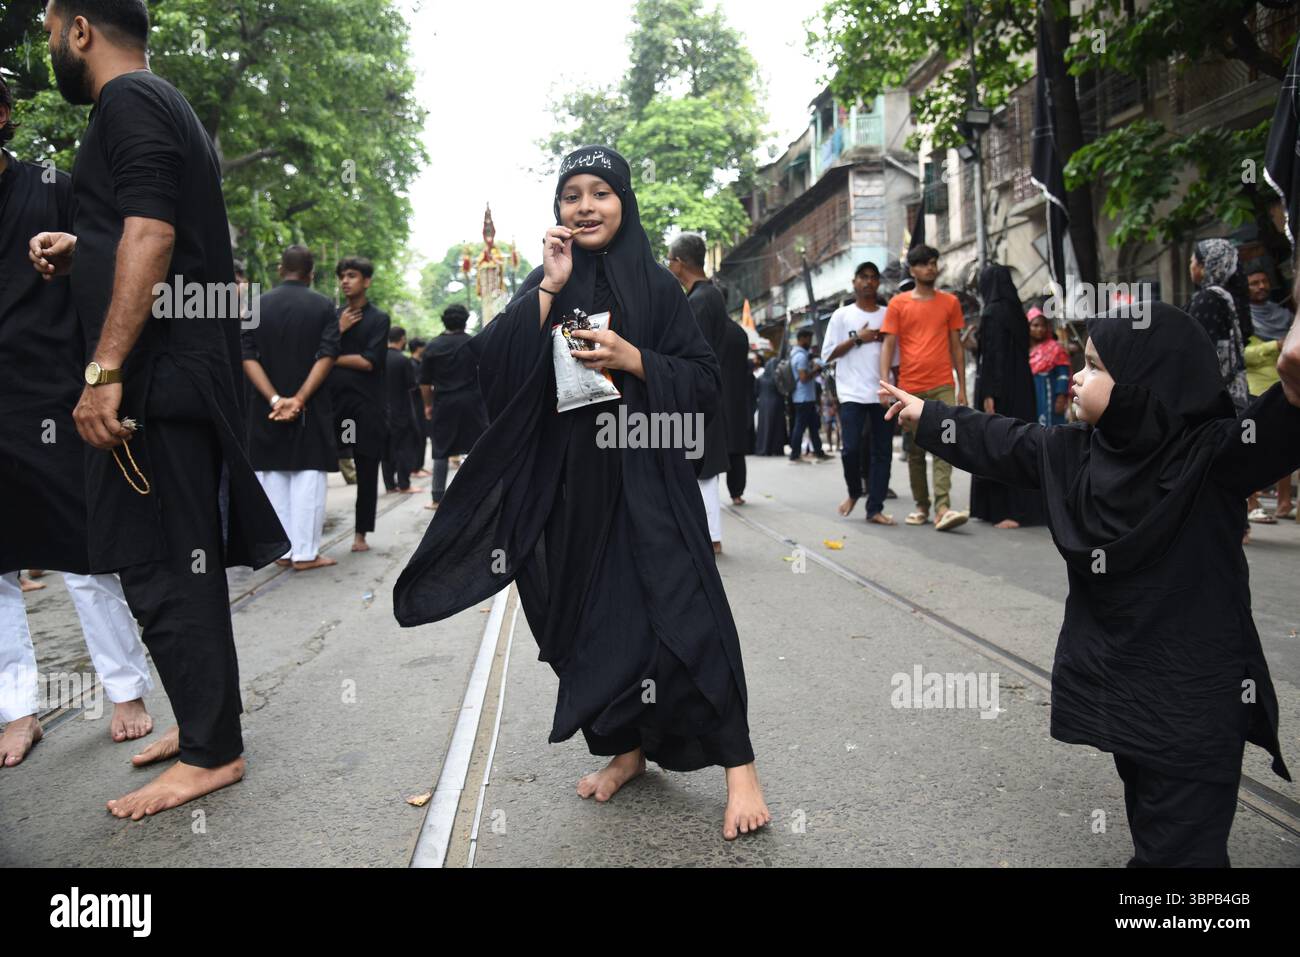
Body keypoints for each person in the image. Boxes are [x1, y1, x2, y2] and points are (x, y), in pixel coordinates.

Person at [394, 145, 770, 840]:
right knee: (585, 621)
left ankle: (739, 765)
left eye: (600, 192)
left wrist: (633, 358)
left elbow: (705, 382)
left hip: (648, 476)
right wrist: (547, 288)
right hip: (571, 487)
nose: (586, 206)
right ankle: (626, 749)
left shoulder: (657, 287)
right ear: (558, 210)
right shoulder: (549, 278)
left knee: (687, 608)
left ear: (623, 203)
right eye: (572, 195)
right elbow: (495, 371)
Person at [882, 302, 1300, 866]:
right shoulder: (1079, 454)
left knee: (1177, 850)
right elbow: (1001, 440)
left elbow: (1284, 415)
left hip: (1183, 705)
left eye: (1097, 366)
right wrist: (929, 417)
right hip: (1148, 706)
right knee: (1165, 835)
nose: (1077, 375)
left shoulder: (1215, 456)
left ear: (1145, 383)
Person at [28, 0, 288, 818]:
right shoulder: (164, 102)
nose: (48, 49)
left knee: (158, 565)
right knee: (182, 564)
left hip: (156, 384)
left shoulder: (130, 102)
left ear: (77, 30)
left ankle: (214, 751)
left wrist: (104, 369)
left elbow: (154, 235)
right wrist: (85, 247)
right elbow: (141, 231)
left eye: (46, 31)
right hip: (180, 375)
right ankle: (208, 725)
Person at [1, 73, 155, 763]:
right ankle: (16, 708)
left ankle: (124, 688)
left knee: (86, 551)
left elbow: (110, 264)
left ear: (3, 116)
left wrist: (101, 376)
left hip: (50, 393)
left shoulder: (50, 187)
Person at [241, 245, 340, 570]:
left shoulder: (256, 305)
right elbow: (327, 355)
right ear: (311, 273)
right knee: (308, 477)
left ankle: (281, 551)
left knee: (274, 477)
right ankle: (306, 553)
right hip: (309, 408)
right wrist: (299, 399)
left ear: (281, 269)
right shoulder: (324, 305)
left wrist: (274, 398)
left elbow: (247, 356)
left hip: (266, 408)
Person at [879, 244, 969, 531]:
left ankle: (942, 508)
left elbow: (956, 345)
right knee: (916, 449)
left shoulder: (950, 302)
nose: (930, 267)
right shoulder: (898, 304)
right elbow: (888, 345)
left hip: (943, 383)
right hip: (910, 387)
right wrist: (885, 386)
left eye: (933, 263)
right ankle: (921, 506)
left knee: (945, 444)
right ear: (913, 269)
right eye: (924, 264)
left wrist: (962, 387)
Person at [667, 233, 731, 552]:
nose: (668, 265)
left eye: (669, 259)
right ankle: (709, 535)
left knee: (702, 469)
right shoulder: (709, 296)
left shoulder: (700, 301)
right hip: (705, 394)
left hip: (698, 395)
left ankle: (709, 538)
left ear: (679, 263)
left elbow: (695, 354)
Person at [822, 261, 896, 525]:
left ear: (878, 283)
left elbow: (897, 358)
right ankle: (854, 492)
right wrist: (858, 339)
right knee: (850, 449)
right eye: (863, 277)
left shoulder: (889, 314)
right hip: (851, 392)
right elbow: (827, 355)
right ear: (854, 282)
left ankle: (874, 508)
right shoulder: (841, 316)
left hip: (883, 393)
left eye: (873, 277)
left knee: (882, 452)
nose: (868, 282)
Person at [970, 265, 1043, 529]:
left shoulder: (992, 313)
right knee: (1020, 442)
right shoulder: (1017, 313)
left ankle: (1008, 510)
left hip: (1000, 390)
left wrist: (990, 393)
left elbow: (995, 356)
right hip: (1021, 387)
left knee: (999, 443)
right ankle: (1022, 508)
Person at [330, 256, 390, 552]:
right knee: (314, 469)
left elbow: (370, 361)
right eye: (342, 276)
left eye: (351, 275)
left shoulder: (379, 319)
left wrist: (332, 358)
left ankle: (360, 534)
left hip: (366, 407)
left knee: (367, 469)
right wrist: (337, 330)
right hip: (332, 405)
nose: (345, 281)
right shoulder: (332, 316)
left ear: (366, 281)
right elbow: (315, 352)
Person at [418, 304, 487, 509]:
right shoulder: (474, 342)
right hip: (472, 402)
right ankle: (479, 493)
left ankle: (437, 497)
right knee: (477, 446)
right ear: (465, 321)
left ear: (443, 320)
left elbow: (424, 383)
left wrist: (428, 405)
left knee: (441, 449)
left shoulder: (432, 346)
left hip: (444, 402)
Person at [1244, 265, 1295, 523]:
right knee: (1253, 449)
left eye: (1264, 281)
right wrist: (1272, 346)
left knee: (1285, 447)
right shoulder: (1244, 317)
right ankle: (1252, 502)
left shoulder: (1283, 315)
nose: (1261, 286)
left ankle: (1284, 502)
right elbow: (1243, 355)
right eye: (1254, 282)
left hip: (1285, 387)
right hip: (1254, 390)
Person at [1186, 239, 1251, 411]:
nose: (1190, 266)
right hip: (1236, 392)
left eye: (1192, 261)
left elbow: (1198, 350)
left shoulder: (1207, 299)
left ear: (1205, 266)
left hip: (1209, 397)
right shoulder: (1232, 298)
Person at [382, 326, 423, 496]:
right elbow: (411, 385)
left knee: (386, 449)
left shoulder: (379, 358)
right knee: (404, 449)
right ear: (402, 339)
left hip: (382, 411)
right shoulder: (402, 360)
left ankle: (390, 485)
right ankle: (404, 484)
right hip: (401, 411)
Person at [719, 305, 753, 505]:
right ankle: (737, 493)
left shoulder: (708, 327)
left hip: (714, 395)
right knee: (736, 448)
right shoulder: (740, 332)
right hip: (738, 398)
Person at [788, 326, 829, 463]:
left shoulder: (797, 354)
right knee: (800, 427)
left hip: (804, 397)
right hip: (803, 397)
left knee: (813, 426)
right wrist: (816, 370)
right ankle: (795, 454)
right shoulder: (800, 356)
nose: (810, 342)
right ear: (802, 339)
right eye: (809, 339)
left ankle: (819, 452)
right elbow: (803, 377)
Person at [1028, 306, 1072, 427]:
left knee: (1050, 428)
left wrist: (1061, 397)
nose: (1040, 329)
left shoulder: (1054, 348)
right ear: (1028, 327)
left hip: (1049, 392)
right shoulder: (1025, 350)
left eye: (1043, 326)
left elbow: (1063, 374)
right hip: (1032, 393)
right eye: (1035, 325)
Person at [754, 350, 788, 456]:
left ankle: (764, 448)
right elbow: (783, 391)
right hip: (777, 405)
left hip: (763, 405)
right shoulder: (777, 379)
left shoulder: (760, 379)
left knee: (764, 427)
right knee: (776, 428)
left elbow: (756, 392)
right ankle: (776, 449)